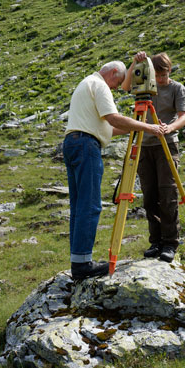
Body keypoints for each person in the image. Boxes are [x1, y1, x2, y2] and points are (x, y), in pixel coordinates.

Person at [63, 60, 165, 280]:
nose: (117, 88)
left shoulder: (87, 83)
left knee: (79, 206)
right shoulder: (99, 85)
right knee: (89, 205)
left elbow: (108, 127)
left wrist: (135, 127)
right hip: (85, 145)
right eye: (117, 83)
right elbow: (113, 118)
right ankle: (83, 265)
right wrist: (148, 127)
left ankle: (78, 261)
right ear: (112, 74)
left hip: (73, 142)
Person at [122, 52, 185, 263]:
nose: (161, 79)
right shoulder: (144, 86)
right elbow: (125, 87)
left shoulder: (177, 88)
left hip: (167, 144)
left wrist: (169, 128)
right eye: (157, 75)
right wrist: (135, 62)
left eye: (164, 74)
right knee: (149, 196)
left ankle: (170, 243)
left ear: (170, 71)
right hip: (144, 145)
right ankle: (156, 241)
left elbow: (184, 117)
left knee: (167, 194)